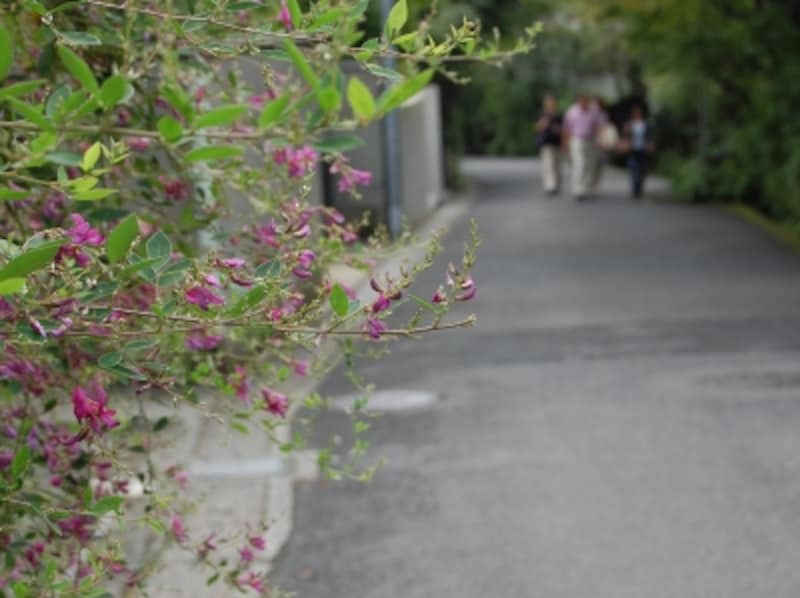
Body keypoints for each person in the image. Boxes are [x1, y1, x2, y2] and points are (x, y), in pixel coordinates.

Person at [563, 93, 605, 200]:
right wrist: (565, 143)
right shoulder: (572, 111)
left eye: (586, 101)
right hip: (577, 139)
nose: (584, 103)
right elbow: (567, 128)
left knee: (590, 165)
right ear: (578, 101)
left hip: (590, 140)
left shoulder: (593, 112)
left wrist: (600, 140)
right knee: (579, 164)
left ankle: (587, 188)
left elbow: (598, 127)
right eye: (582, 101)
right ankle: (578, 189)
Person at [622, 105, 654, 199]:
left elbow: (649, 136)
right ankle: (635, 189)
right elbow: (624, 136)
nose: (637, 115)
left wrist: (650, 145)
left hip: (643, 150)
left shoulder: (646, 124)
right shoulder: (629, 124)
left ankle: (639, 188)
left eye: (638, 113)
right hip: (632, 150)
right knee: (633, 169)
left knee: (642, 170)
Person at [535, 94, 563, 196]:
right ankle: (550, 185)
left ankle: (557, 184)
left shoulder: (559, 115)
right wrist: (543, 123)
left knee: (557, 165)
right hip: (546, 143)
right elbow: (537, 128)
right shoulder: (541, 114)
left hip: (557, 142)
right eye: (548, 102)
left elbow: (563, 130)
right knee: (548, 165)